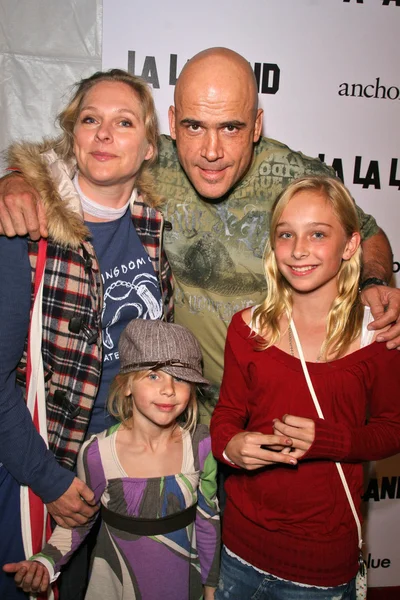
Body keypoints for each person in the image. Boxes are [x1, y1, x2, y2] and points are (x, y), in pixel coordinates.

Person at [0, 48, 399, 424]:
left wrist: (374, 280)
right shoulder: (149, 161)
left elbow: (368, 234)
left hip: (278, 414)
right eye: (194, 127)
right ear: (172, 124)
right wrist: (15, 181)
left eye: (230, 128)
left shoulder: (296, 177)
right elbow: (69, 161)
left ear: (256, 125)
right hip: (178, 420)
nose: (211, 151)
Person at [0, 69, 173, 599]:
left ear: (148, 148)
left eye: (123, 123)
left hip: (121, 467)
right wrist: (50, 482)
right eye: (90, 119)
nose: (103, 134)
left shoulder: (155, 222)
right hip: (39, 468)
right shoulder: (24, 227)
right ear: (71, 134)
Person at [210, 175, 400, 599]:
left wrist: (330, 439)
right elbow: (226, 414)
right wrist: (229, 446)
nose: (298, 250)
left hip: (319, 566)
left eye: (318, 234)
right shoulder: (247, 328)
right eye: (285, 234)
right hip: (238, 549)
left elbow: (393, 428)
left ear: (350, 246)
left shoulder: (379, 337)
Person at [4, 318, 220, 600]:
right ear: (128, 384)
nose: (168, 389)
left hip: (182, 586)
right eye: (154, 375)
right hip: (117, 586)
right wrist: (46, 561)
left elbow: (208, 520)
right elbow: (80, 521)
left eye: (180, 377)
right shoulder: (97, 452)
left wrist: (211, 588)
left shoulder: (201, 443)